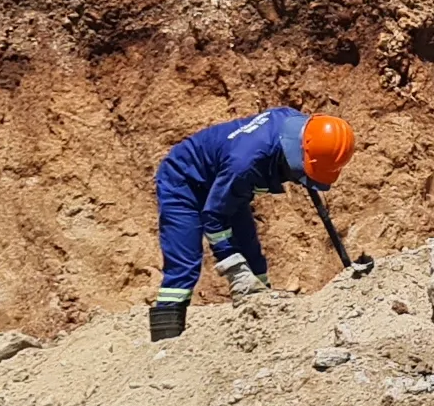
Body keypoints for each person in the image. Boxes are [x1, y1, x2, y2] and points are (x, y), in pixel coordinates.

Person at [149, 108, 356, 340]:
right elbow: (214, 217)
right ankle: (165, 343)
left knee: (252, 256)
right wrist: (233, 268)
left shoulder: (301, 128)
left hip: (228, 181)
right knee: (184, 264)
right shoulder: (245, 163)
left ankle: (262, 328)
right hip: (184, 180)